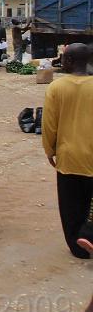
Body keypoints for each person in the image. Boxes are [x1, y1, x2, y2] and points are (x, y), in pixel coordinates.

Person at [41, 43, 93, 258]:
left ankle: (77, 247)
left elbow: (49, 125)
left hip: (68, 156)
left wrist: (49, 150)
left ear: (69, 61)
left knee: (71, 205)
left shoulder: (56, 87)